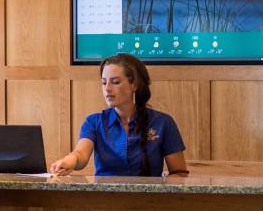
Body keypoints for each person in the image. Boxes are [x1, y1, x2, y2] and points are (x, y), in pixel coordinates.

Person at [50, 53, 190, 177]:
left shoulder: (163, 122)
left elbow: (179, 172)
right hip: (104, 201)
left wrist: (164, 186)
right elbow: (80, 155)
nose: (107, 89)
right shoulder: (94, 122)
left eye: (115, 82)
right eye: (104, 83)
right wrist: (70, 161)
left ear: (134, 85)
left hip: (150, 201)